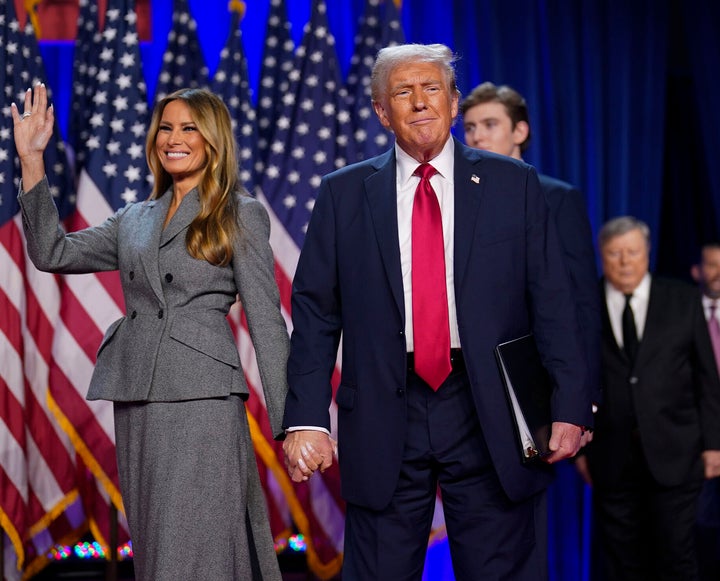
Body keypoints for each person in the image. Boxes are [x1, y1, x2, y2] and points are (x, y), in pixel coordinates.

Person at [282, 43, 592, 580]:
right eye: (403, 92)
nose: (420, 102)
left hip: (487, 405)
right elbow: (314, 314)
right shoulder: (342, 194)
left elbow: (554, 302)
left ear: (453, 104)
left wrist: (570, 404)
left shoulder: (513, 184)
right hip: (383, 406)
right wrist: (307, 419)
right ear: (383, 111)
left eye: (432, 90)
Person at [12, 85, 289, 581]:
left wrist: (293, 424)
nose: (174, 138)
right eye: (166, 127)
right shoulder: (134, 218)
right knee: (158, 545)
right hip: (137, 393)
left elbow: (266, 319)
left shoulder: (238, 212)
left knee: (196, 545)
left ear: (213, 140)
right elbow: (52, 252)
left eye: (189, 128)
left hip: (203, 397)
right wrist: (32, 161)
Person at [576, 217, 720, 580]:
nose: (625, 262)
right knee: (621, 560)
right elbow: (571, 378)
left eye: (633, 252)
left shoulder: (682, 298)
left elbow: (707, 376)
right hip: (610, 458)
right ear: (601, 255)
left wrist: (714, 445)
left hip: (678, 453)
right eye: (614, 253)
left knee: (676, 554)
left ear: (648, 254)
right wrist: (577, 449)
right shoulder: (583, 304)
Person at [460, 81, 602, 406]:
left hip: (536, 371)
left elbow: (582, 302)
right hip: (471, 376)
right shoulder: (457, 201)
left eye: (490, 125)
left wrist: (585, 393)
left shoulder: (557, 198)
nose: (477, 136)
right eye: (469, 128)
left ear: (520, 131)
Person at [690, 242, 720, 580]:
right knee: (701, 525)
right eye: (711, 265)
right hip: (695, 443)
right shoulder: (682, 314)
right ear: (696, 271)